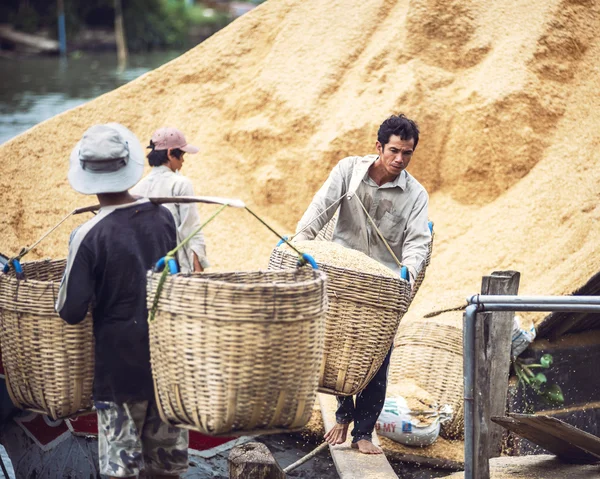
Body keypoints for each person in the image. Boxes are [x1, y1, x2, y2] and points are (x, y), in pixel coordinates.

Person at [56, 123, 189, 478]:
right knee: (166, 471)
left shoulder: (87, 235)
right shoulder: (163, 218)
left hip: (119, 374)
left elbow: (70, 310)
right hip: (164, 368)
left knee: (123, 472)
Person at [294, 114, 431, 454]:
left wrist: (409, 272)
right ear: (379, 147)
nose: (400, 159)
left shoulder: (415, 194)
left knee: (378, 354)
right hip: (342, 269)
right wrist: (299, 244)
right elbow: (319, 210)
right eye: (394, 151)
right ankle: (343, 414)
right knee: (340, 347)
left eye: (407, 153)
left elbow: (417, 241)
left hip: (383, 279)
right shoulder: (348, 172)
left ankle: (363, 434)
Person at [131, 127, 209, 274]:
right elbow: (191, 229)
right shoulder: (180, 183)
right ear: (170, 153)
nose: (183, 160)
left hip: (146, 271)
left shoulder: (137, 188)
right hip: (175, 269)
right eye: (181, 154)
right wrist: (198, 271)